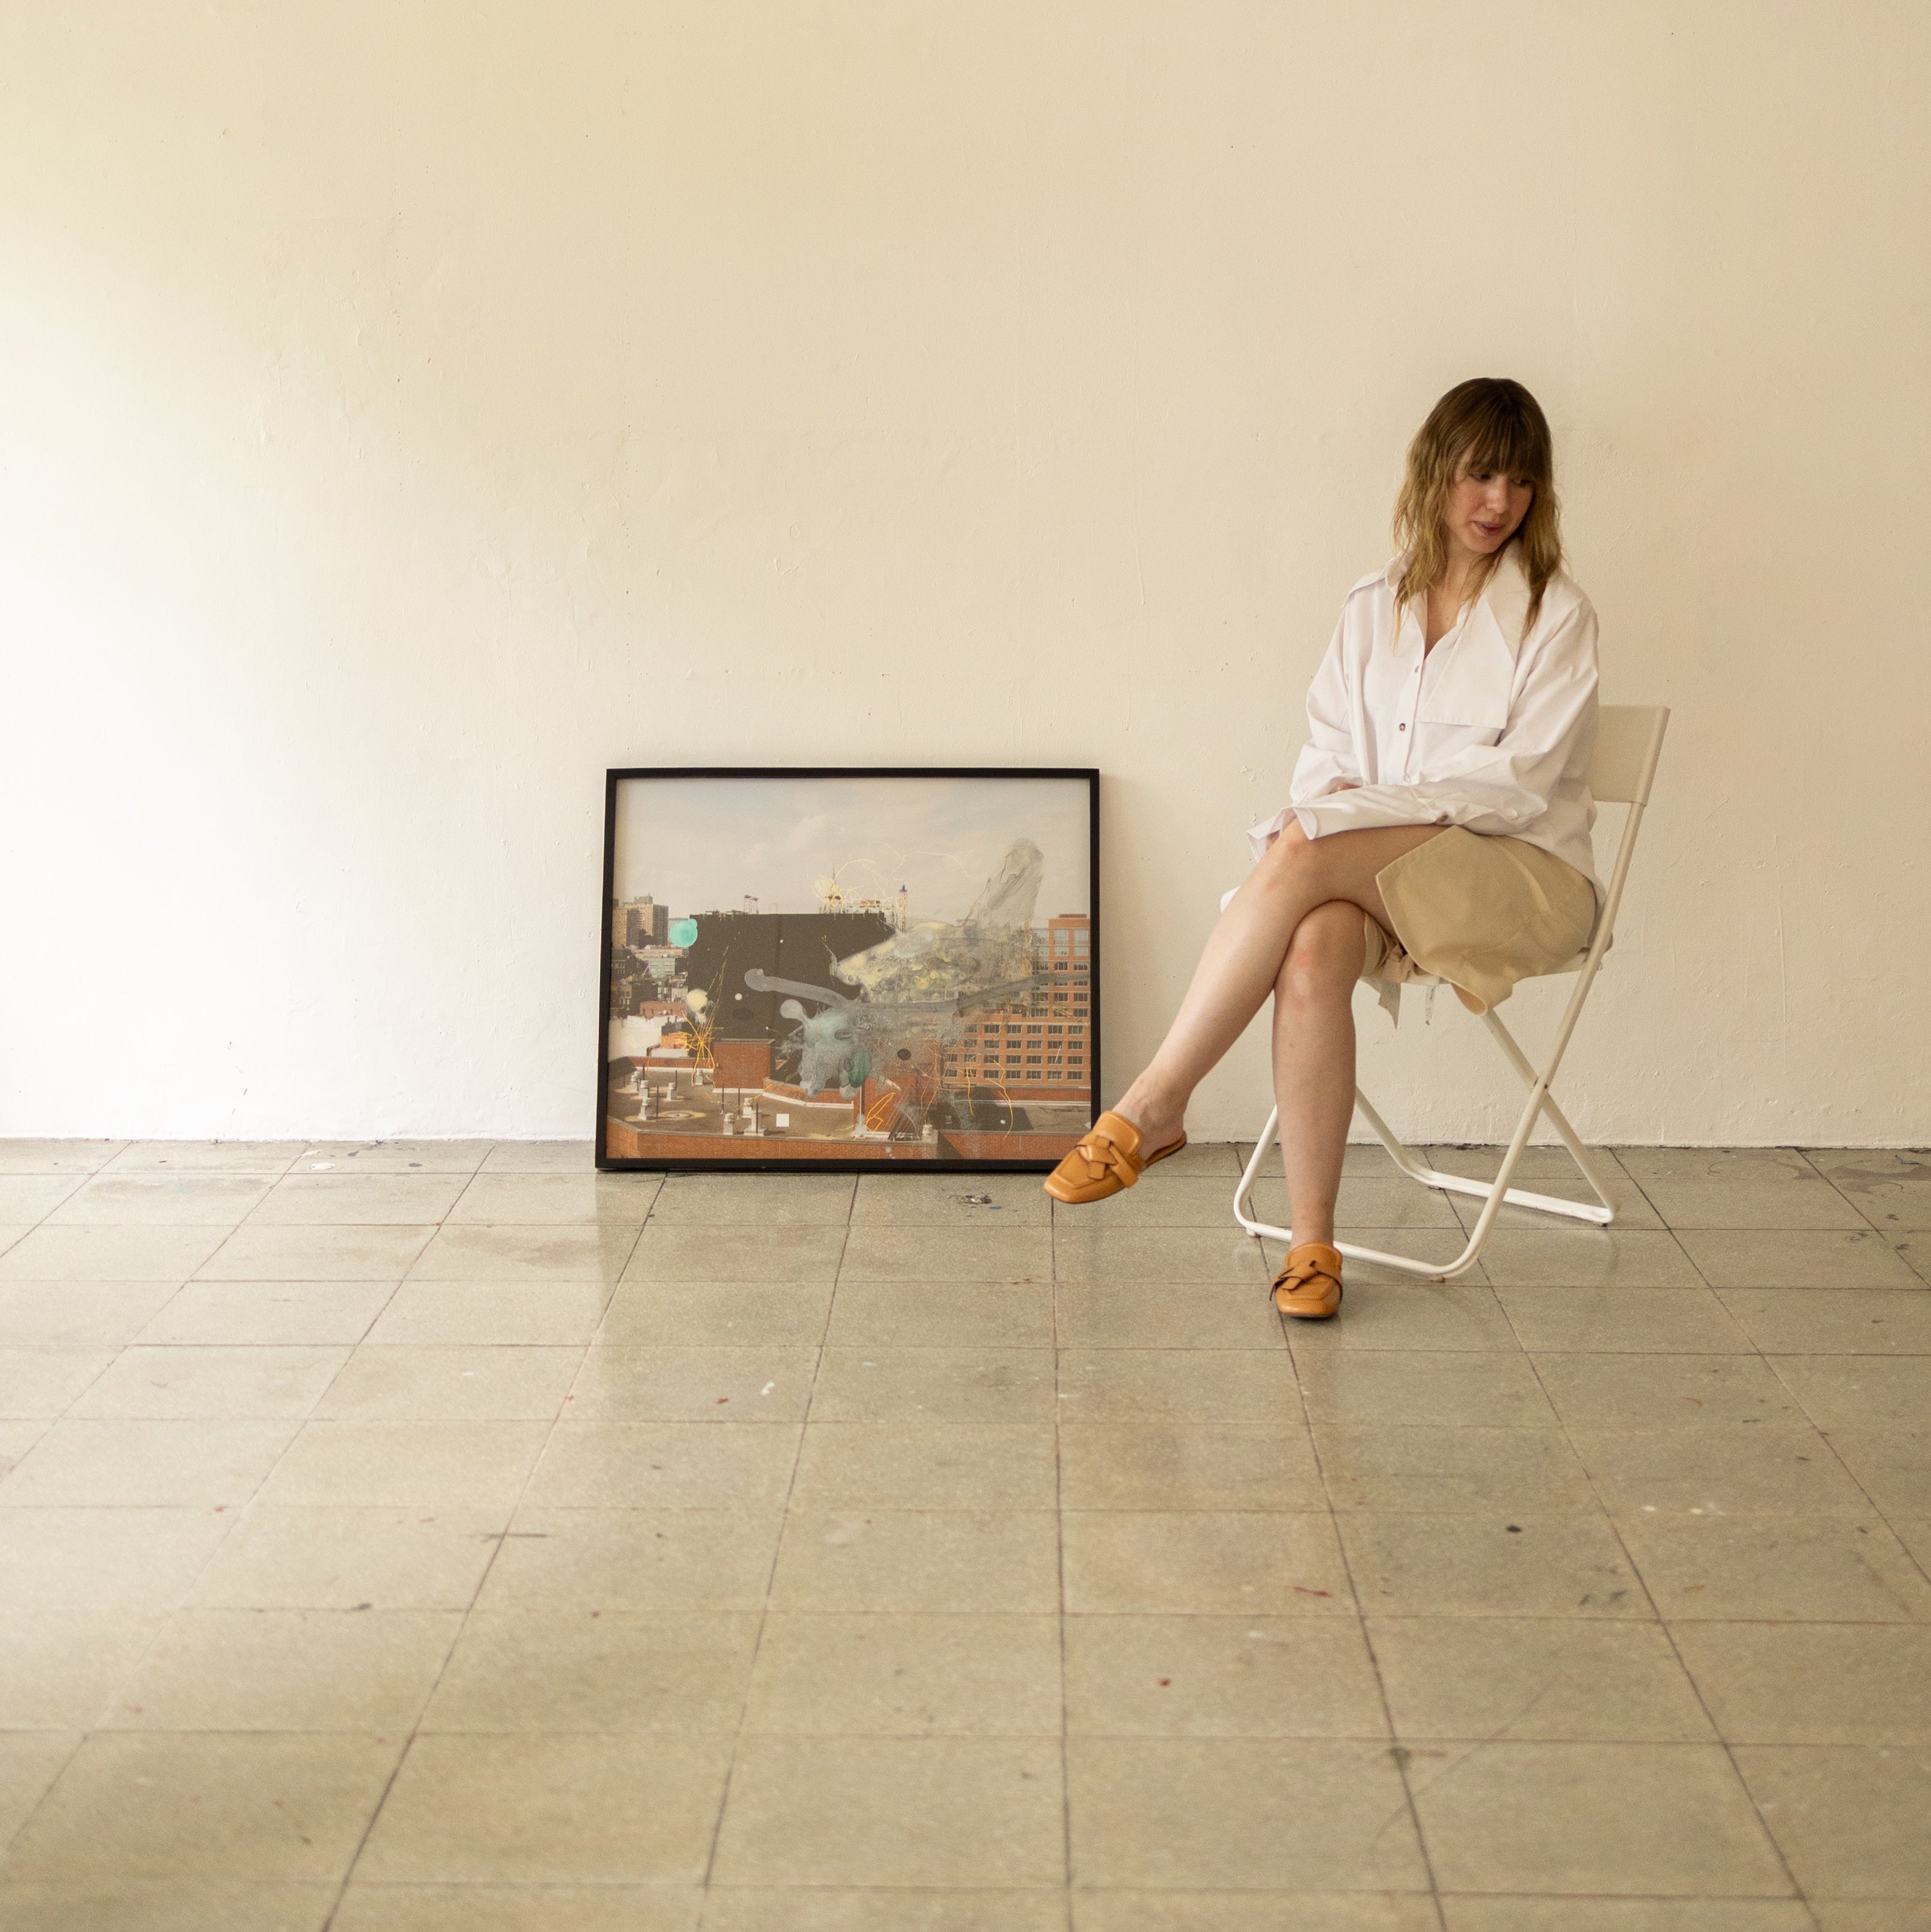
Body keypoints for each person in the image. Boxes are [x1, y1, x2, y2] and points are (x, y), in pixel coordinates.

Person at [1044, 377, 1602, 1320]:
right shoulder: (1371, 607)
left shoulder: (1556, 615)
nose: (1498, 502)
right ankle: (1313, 1246)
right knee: (1310, 941)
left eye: (1520, 481)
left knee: (1305, 844)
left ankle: (1154, 1102)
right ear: (1434, 472)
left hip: (1524, 882)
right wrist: (1343, 808)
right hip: (1392, 881)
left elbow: (1515, 788)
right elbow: (1328, 757)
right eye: (1479, 475)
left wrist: (1352, 815)